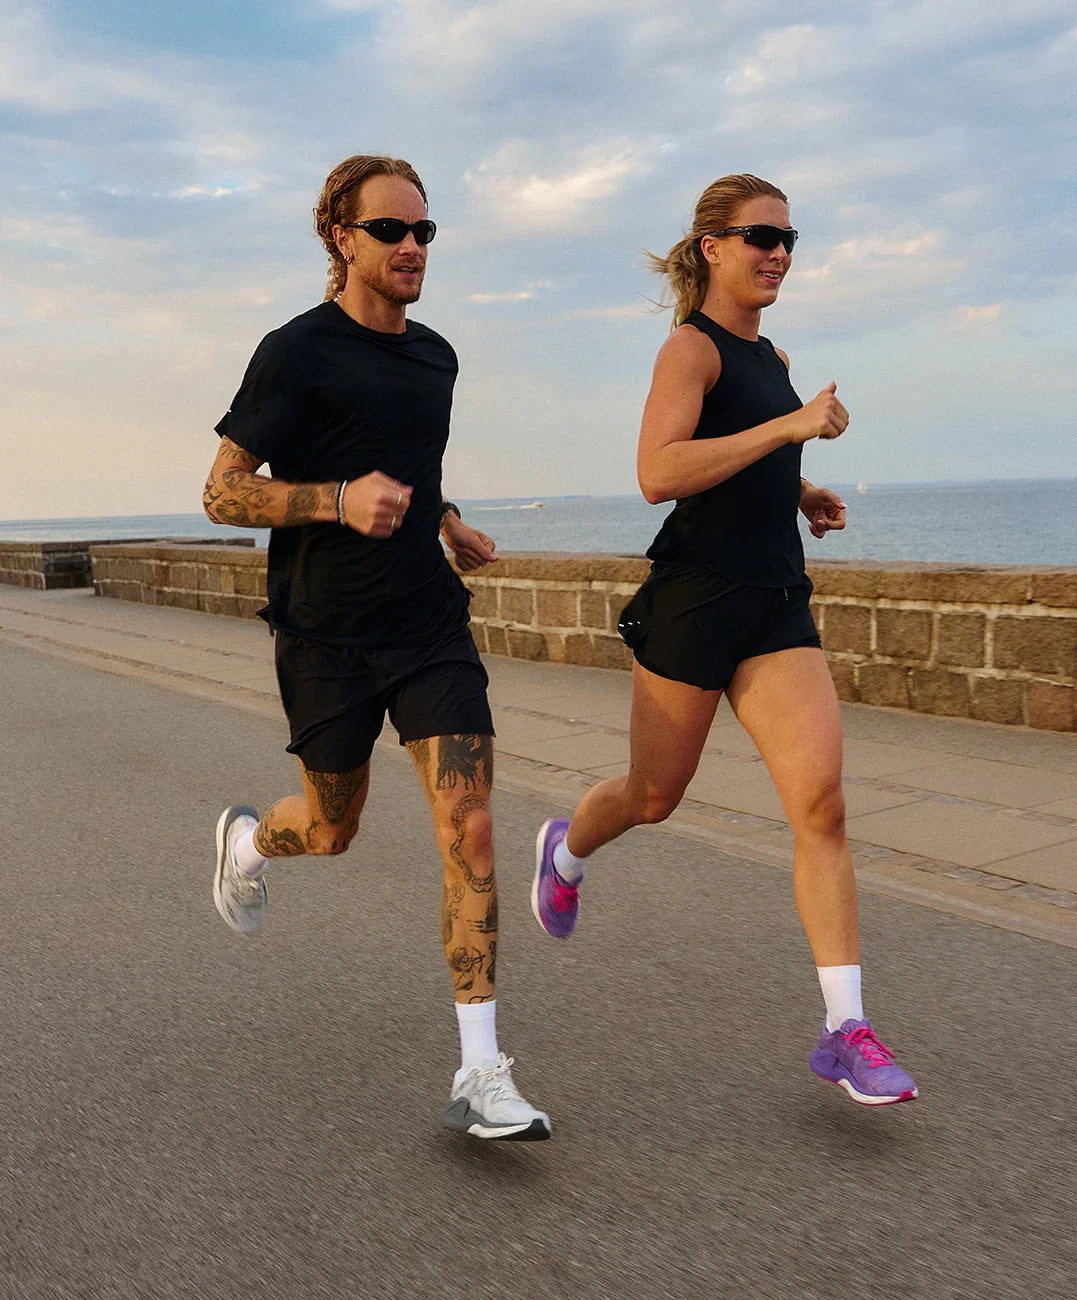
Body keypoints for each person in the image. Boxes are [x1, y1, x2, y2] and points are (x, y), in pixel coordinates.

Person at [530, 174, 917, 1108]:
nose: (779, 253)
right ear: (712, 247)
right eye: (760, 237)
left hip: (775, 603)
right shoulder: (689, 352)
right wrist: (791, 427)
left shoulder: (771, 355)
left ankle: (845, 1029)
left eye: (790, 239)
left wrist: (799, 490)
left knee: (820, 805)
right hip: (697, 601)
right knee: (654, 796)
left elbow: (744, 457)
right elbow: (657, 472)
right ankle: (566, 849)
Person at [203, 154, 551, 1140]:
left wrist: (444, 519)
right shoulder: (294, 352)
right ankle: (248, 842)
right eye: (392, 230)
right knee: (331, 827)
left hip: (427, 626)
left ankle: (482, 1074)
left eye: (424, 233)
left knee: (471, 829)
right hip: (324, 637)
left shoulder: (436, 356)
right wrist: (335, 501)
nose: (411, 248)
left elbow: (413, 461)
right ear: (339, 237)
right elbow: (224, 491)